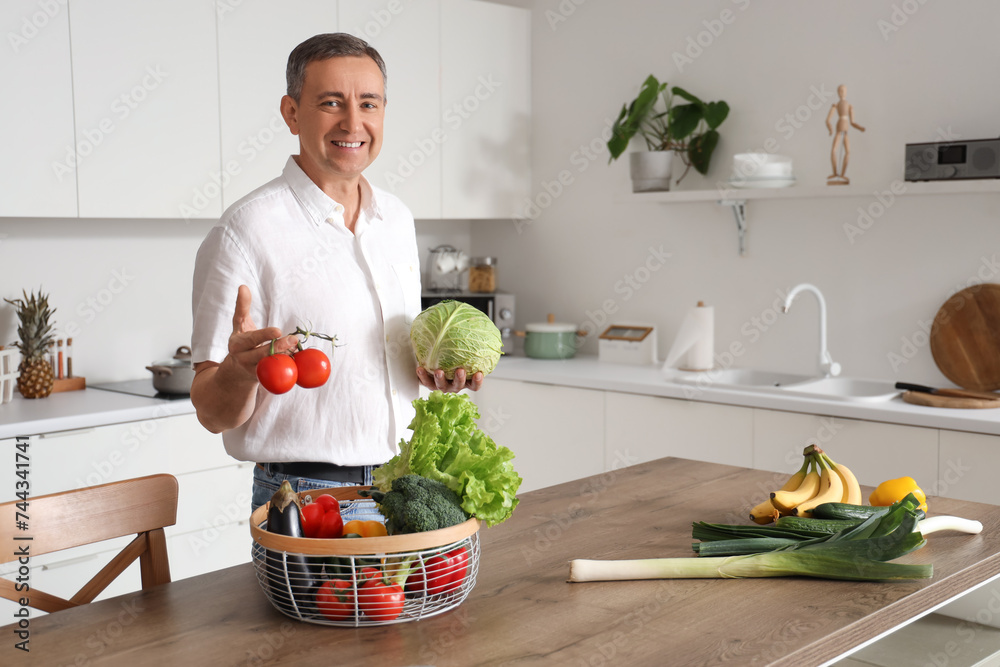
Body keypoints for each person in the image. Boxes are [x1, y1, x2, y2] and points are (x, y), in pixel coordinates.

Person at [189, 33, 484, 514]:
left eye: (369, 103)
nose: (353, 122)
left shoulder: (398, 219)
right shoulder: (245, 231)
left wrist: (436, 373)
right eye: (331, 102)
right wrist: (239, 372)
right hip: (306, 497)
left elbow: (386, 369)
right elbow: (210, 412)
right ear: (291, 113)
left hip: (408, 482)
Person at [825, 84, 865, 185]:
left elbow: (853, 122)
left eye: (843, 90)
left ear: (846, 92)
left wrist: (860, 128)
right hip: (839, 128)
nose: (841, 92)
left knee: (847, 151)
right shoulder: (836, 105)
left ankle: (842, 173)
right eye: (840, 90)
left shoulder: (849, 106)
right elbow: (828, 120)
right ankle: (835, 173)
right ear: (838, 92)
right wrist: (830, 129)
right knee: (834, 150)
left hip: (845, 128)